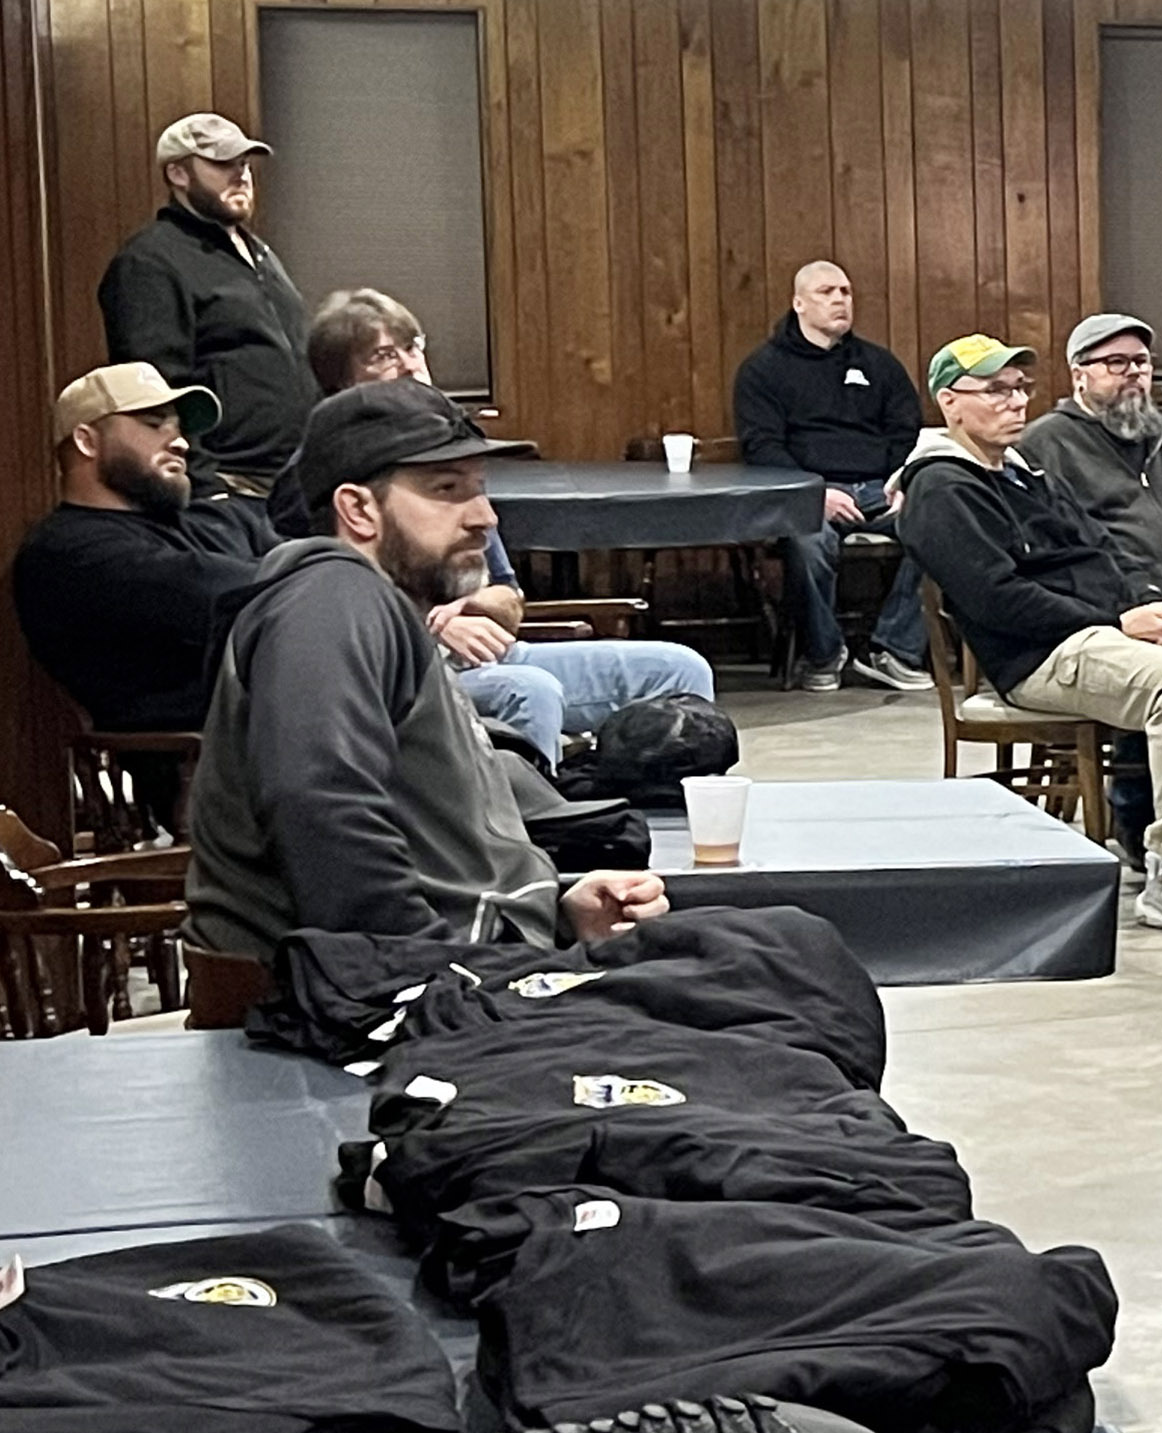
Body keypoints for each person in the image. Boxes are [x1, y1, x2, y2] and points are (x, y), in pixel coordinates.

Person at [184, 378, 668, 962]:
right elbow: (318, 807)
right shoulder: (330, 599)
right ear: (358, 509)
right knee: (747, 967)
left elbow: (436, 859)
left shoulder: (369, 603)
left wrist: (557, 914)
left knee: (742, 948)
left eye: (479, 488)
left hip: (457, 962)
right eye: (447, 488)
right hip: (374, 989)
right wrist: (444, 974)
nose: (485, 517)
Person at [893, 334, 1162, 938]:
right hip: (1040, 656)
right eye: (996, 391)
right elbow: (999, 600)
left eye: (1019, 389)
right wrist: (1116, 622)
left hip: (1104, 628)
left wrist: (1143, 604)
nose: (1016, 402)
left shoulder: (1024, 473)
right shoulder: (941, 489)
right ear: (950, 402)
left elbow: (1101, 549)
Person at [291, 288, 715, 767]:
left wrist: (470, 605)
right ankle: (531, 813)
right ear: (340, 381)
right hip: (407, 670)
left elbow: (509, 601)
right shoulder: (321, 474)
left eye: (413, 347)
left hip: (494, 655)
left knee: (679, 670)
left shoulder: (452, 453)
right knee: (529, 691)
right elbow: (328, 607)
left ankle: (642, 806)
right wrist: (429, 630)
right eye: (385, 355)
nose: (410, 366)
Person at [12, 364, 272, 733]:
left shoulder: (218, 519)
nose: (181, 442)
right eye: (153, 424)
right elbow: (225, 595)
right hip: (209, 753)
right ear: (87, 441)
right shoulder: (66, 553)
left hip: (287, 721)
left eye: (179, 428)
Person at [97, 114, 315, 520]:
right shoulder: (149, 262)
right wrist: (204, 486)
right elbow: (157, 388)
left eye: (244, 163)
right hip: (229, 490)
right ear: (178, 173)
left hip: (294, 484)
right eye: (223, 164)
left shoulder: (261, 254)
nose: (241, 175)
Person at [732, 261, 932, 692]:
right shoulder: (763, 369)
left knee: (942, 525)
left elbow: (906, 432)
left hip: (881, 488)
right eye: (827, 292)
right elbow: (762, 447)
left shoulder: (879, 364)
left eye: (846, 291)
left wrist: (904, 480)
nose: (840, 300)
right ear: (798, 303)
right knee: (807, 542)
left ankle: (895, 650)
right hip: (809, 491)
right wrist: (814, 492)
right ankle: (823, 655)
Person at [1017, 312, 1162, 614]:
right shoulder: (1046, 444)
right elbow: (1059, 546)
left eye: (1141, 361)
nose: (1133, 372)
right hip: (1113, 613)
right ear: (1079, 376)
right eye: (1117, 362)